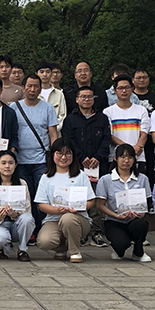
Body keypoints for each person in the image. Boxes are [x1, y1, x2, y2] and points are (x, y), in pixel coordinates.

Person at [59, 85, 111, 248]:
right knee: (78, 198)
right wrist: (81, 157)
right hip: (77, 165)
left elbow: (106, 140)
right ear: (77, 100)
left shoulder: (102, 118)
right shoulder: (70, 120)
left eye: (89, 97)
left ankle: (96, 232)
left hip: (98, 166)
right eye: (83, 96)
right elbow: (69, 140)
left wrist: (97, 157)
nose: (86, 99)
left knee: (95, 198)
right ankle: (80, 232)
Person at [11, 74, 59, 241]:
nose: (32, 89)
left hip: (41, 160)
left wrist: (55, 156)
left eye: (36, 86)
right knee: (26, 196)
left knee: (42, 196)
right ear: (23, 87)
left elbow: (53, 134)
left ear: (40, 89)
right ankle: (29, 231)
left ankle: (43, 229)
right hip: (20, 160)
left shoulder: (47, 108)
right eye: (29, 86)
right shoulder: (14, 107)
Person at [35, 139, 96, 263]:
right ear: (53, 155)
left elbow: (91, 201)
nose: (63, 157)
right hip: (54, 219)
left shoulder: (81, 175)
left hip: (78, 218)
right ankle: (61, 248)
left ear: (73, 155)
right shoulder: (46, 177)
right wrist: (56, 210)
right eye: (59, 153)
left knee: (68, 218)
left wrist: (78, 208)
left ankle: (75, 251)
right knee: (44, 241)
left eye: (68, 153)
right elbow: (41, 204)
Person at [95, 144, 152, 262]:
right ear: (115, 158)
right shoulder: (105, 180)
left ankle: (138, 251)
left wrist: (142, 213)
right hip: (114, 221)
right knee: (121, 244)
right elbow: (100, 205)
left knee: (141, 224)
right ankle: (118, 249)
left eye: (130, 157)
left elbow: (147, 201)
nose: (126, 160)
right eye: (123, 157)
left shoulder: (143, 179)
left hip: (135, 220)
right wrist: (116, 215)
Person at [0, 150, 34, 261]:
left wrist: (14, 214)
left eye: (11, 163)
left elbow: (28, 211)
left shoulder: (22, 184)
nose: (7, 166)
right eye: (3, 163)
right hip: (0, 225)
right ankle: (3, 247)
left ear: (15, 165)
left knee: (27, 219)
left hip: (17, 224)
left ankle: (22, 250)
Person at [103, 75, 150, 176]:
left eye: (127, 87)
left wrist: (137, 148)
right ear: (115, 90)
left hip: (138, 157)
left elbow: (144, 133)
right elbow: (110, 135)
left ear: (132, 89)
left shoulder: (141, 110)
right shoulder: (108, 112)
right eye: (120, 88)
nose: (124, 91)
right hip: (116, 157)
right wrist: (129, 150)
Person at [36, 61, 68, 129]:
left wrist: (53, 129)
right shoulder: (33, 93)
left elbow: (62, 116)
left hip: (56, 132)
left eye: (48, 72)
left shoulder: (59, 94)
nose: (45, 74)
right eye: (41, 72)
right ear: (36, 73)